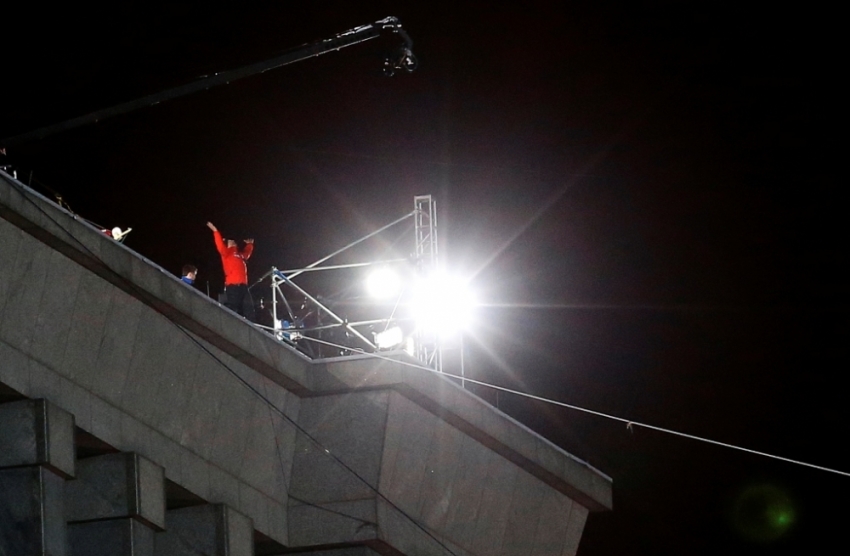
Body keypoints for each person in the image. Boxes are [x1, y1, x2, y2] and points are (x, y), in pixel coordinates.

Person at [206, 222, 255, 320]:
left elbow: (246, 254)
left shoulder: (239, 254)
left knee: (249, 309)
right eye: (230, 241)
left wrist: (250, 245)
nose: (233, 242)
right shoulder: (226, 253)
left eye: (233, 241)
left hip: (243, 287)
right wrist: (215, 231)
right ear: (227, 244)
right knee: (234, 309)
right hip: (233, 286)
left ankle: (253, 328)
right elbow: (220, 245)